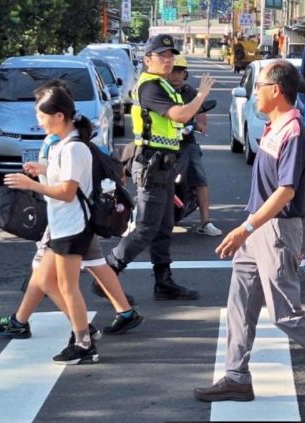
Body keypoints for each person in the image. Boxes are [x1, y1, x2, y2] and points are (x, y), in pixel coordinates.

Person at [193, 60, 305, 407]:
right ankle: (236, 377)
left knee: (285, 313)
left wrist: (246, 227)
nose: (254, 92)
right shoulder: (274, 125)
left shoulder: (293, 131)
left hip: (274, 228)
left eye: (258, 86)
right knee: (240, 304)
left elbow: (286, 191)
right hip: (258, 226)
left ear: (276, 90)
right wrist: (247, 228)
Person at [106, 34, 214, 301]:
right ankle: (108, 273)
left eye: (170, 56)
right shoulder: (150, 87)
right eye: (162, 56)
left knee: (164, 225)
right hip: (151, 164)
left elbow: (176, 121)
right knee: (145, 227)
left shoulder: (163, 85)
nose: (168, 60)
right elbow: (179, 114)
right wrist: (201, 94)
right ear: (147, 60)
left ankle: (163, 282)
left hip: (163, 163)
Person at [3, 83, 100, 364]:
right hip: (61, 225)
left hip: (72, 227)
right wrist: (43, 170)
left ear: (59, 116)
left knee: (68, 287)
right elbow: (63, 179)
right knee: (45, 280)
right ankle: (83, 329)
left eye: (42, 116)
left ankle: (84, 343)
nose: (39, 121)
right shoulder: (62, 147)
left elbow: (67, 191)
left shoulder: (72, 149)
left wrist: (29, 183)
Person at [167, 54, 222, 236]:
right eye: (173, 71)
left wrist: (199, 124)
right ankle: (138, 218)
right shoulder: (159, 90)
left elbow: (202, 115)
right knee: (146, 178)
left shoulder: (190, 92)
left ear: (185, 74)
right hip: (161, 144)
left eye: (180, 71)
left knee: (199, 178)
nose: (175, 75)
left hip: (186, 142)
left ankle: (205, 222)